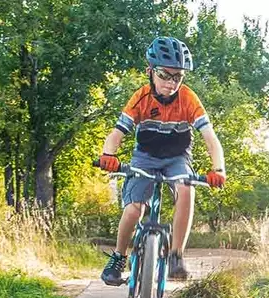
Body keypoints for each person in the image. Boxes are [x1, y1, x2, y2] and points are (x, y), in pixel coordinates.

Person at [97, 36, 227, 285]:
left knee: (186, 189)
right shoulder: (141, 97)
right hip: (145, 158)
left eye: (177, 76)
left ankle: (176, 255)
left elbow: (211, 138)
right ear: (150, 72)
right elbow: (116, 133)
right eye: (164, 75)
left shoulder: (188, 98)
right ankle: (118, 257)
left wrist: (218, 169)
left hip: (177, 158)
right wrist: (109, 156)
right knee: (135, 209)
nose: (171, 82)